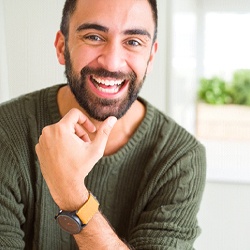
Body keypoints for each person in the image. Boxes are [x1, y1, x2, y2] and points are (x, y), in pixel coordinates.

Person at [0, 0, 206, 249]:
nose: (112, 63)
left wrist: (73, 196)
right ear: (62, 46)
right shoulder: (5, 131)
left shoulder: (180, 157)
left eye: (133, 42)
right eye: (94, 36)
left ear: (150, 57)